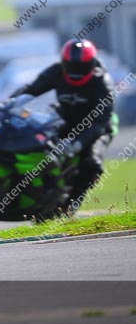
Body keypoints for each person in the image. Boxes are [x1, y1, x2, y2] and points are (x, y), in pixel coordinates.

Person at [9, 39, 116, 210]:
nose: (76, 72)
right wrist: (11, 102)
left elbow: (99, 123)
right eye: (71, 66)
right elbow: (31, 89)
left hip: (98, 127)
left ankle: (72, 203)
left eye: (81, 67)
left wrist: (77, 144)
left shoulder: (102, 83)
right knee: (37, 141)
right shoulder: (56, 71)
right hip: (66, 117)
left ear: (91, 64)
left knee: (92, 163)